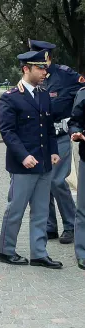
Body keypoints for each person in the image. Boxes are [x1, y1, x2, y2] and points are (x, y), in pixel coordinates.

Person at [0, 49, 62, 269]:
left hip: (43, 163)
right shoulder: (11, 97)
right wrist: (23, 156)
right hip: (23, 165)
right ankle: (5, 250)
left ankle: (39, 253)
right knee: (15, 209)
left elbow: (49, 128)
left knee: (41, 211)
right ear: (26, 69)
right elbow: (7, 132)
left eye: (45, 67)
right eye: (40, 68)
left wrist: (53, 150)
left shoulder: (44, 94)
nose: (45, 71)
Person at [29, 39, 85, 244]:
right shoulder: (31, 76)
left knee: (57, 180)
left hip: (60, 135)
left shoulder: (65, 75)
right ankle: (49, 226)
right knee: (43, 182)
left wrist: (77, 120)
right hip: (38, 136)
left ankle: (70, 225)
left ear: (48, 57)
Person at [68, 87, 85, 270]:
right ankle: (82, 252)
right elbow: (75, 122)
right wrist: (76, 132)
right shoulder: (83, 94)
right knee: (83, 208)